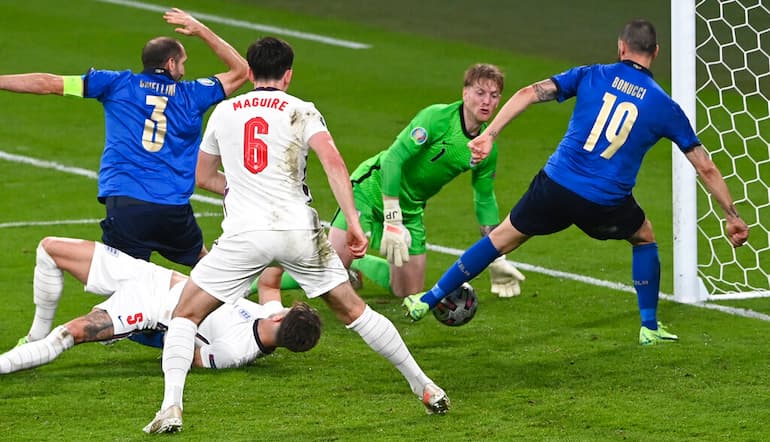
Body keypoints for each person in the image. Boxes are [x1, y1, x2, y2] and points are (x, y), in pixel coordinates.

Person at [144, 36, 449, 435]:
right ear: (288, 75)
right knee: (355, 312)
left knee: (186, 314)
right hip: (298, 231)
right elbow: (334, 163)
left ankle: (172, 407)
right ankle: (424, 385)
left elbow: (201, 177)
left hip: (245, 234)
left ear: (249, 73)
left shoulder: (223, 111)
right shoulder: (302, 110)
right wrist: (354, 222)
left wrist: (240, 188)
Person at [403, 19, 750, 345]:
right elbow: (705, 167)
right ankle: (649, 326)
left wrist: (490, 134)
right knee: (643, 236)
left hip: (555, 185)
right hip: (605, 201)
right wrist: (731, 215)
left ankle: (427, 299)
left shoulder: (591, 74)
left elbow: (528, 92)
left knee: (500, 239)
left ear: (621, 47)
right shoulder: (665, 106)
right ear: (655, 53)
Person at [0, 8, 248, 268]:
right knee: (207, 274)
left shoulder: (115, 84)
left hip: (126, 203)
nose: (184, 70)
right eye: (183, 62)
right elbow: (241, 70)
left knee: (124, 287)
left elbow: (48, 83)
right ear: (171, 64)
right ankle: (247, 305)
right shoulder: (194, 94)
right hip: (172, 208)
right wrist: (200, 29)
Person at [257, 63, 526, 300]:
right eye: (480, 93)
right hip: (371, 189)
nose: (487, 102)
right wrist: (392, 216)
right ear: (465, 93)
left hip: (411, 207)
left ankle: (357, 265)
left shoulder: (486, 149)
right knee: (328, 274)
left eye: (494, 95)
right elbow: (392, 161)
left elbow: (484, 199)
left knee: (407, 291)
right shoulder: (436, 119)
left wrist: (496, 254)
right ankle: (252, 284)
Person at [0, 236, 322, 375]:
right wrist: (286, 240)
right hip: (149, 274)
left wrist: (149, 329)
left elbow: (192, 358)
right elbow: (269, 283)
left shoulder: (235, 353)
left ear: (282, 319)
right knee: (49, 249)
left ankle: (7, 364)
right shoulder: (267, 315)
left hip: (149, 309)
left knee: (69, 334)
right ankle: (31, 339)